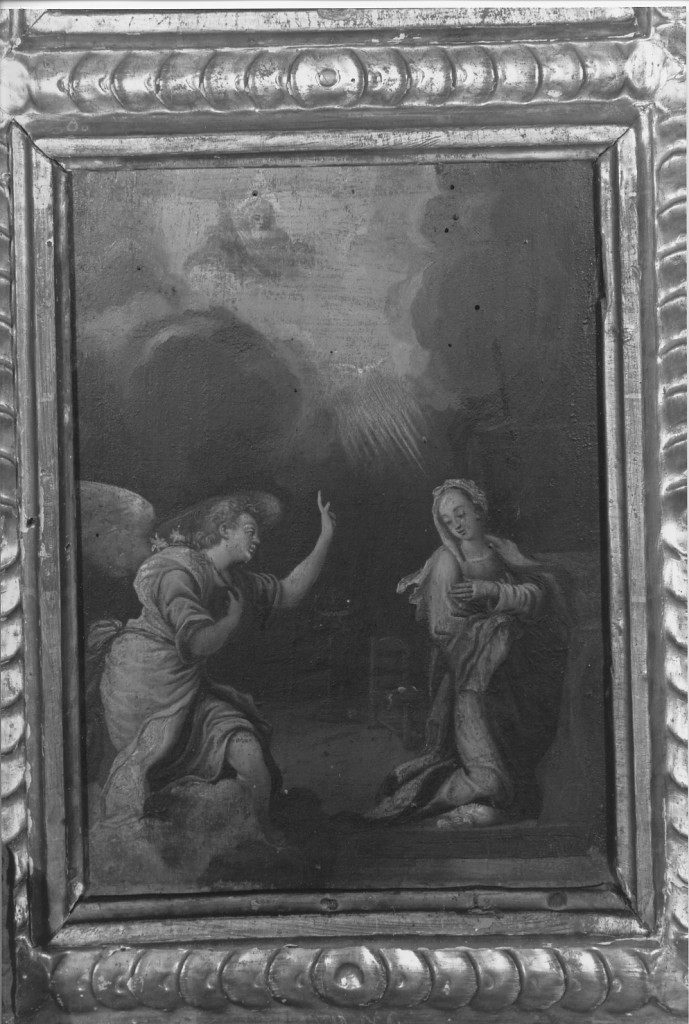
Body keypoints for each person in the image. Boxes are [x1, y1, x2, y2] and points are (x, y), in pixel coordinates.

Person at [89, 490, 336, 837]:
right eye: (249, 530)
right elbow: (196, 644)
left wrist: (325, 538)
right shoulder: (177, 570)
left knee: (250, 756)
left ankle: (262, 840)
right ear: (223, 530)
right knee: (152, 771)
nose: (257, 539)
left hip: (189, 692)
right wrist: (231, 621)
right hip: (143, 685)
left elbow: (290, 591)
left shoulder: (237, 582)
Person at [368, 479, 568, 826]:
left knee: (524, 759)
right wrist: (496, 624)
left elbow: (539, 595)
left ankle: (493, 805)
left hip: (514, 671)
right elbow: (443, 629)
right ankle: (422, 802)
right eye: (448, 521)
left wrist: (491, 591)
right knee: (488, 777)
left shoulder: (503, 550)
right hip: (470, 676)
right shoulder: (447, 560)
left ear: (478, 509)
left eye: (460, 514)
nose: (457, 525)